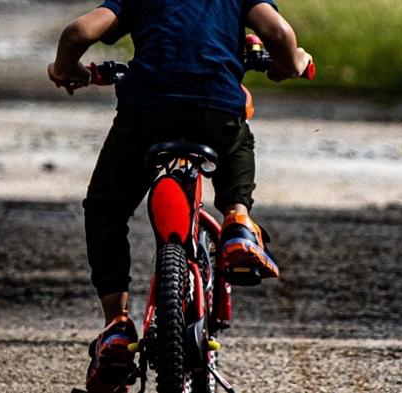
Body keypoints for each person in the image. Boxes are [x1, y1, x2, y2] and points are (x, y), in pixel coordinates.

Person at [47, 1, 312, 392]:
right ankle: (237, 221)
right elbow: (279, 35)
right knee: (236, 138)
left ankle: (117, 327)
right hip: (215, 107)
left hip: (146, 112)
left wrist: (66, 69)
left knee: (105, 209)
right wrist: (291, 63)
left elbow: (77, 33)